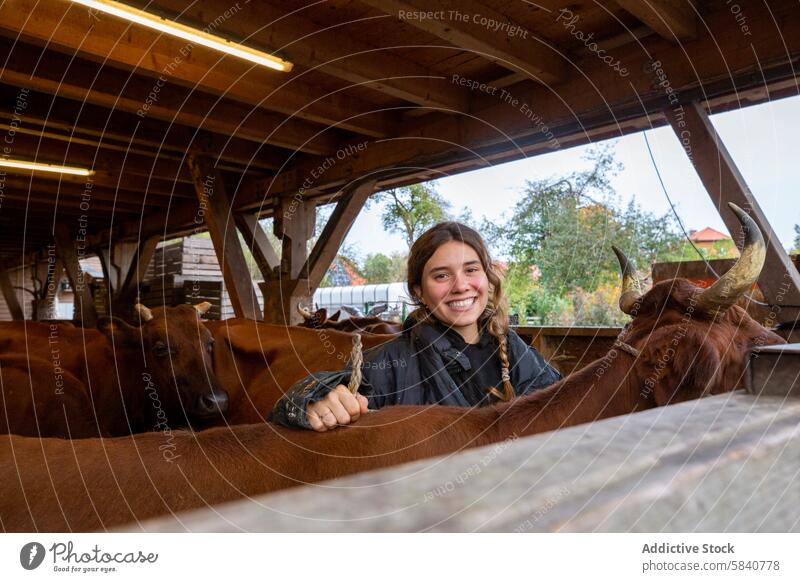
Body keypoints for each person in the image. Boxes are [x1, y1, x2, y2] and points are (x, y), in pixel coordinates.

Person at [270, 222, 561, 432]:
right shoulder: (390, 364)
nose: (461, 286)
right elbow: (287, 410)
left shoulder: (518, 353)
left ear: (487, 278)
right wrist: (314, 402)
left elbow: (562, 403)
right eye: (441, 275)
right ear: (419, 292)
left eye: (471, 270)